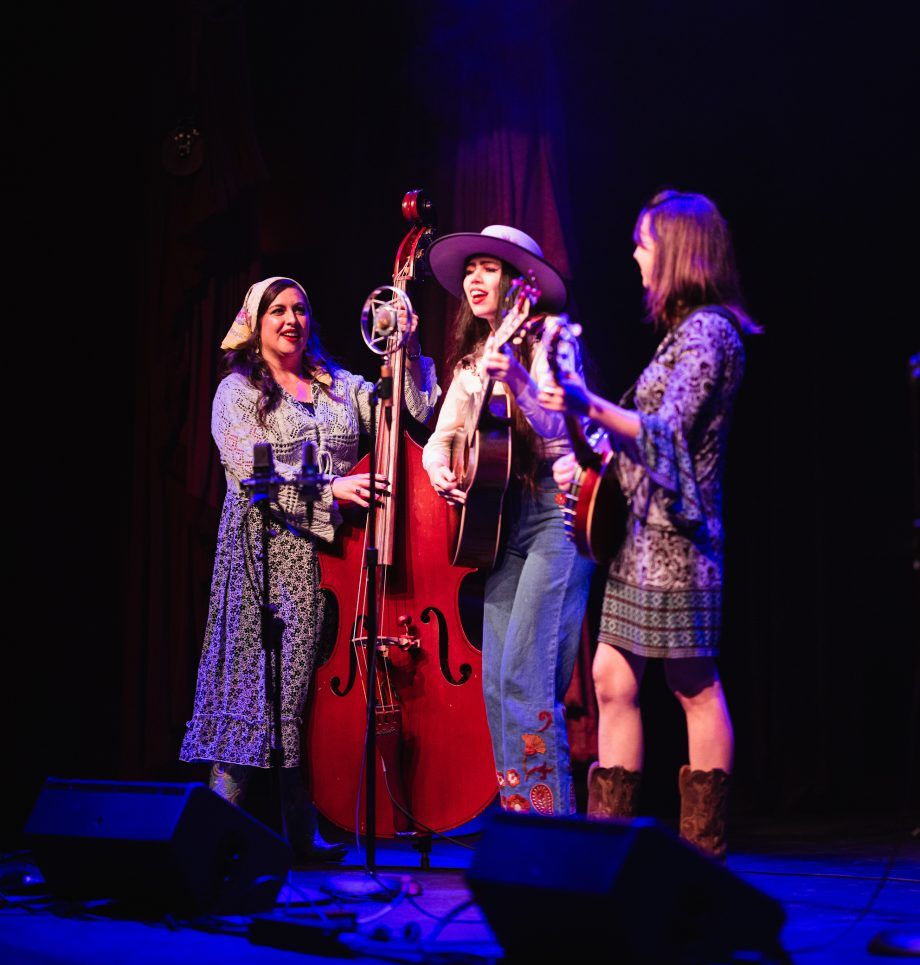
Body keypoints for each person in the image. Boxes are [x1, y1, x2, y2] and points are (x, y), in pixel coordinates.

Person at [180, 276, 439, 860]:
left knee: (306, 699)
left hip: (334, 566)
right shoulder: (238, 391)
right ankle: (208, 838)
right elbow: (249, 467)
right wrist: (332, 486)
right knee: (255, 696)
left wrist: (406, 347)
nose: (292, 319)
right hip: (263, 557)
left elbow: (412, 409)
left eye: (300, 309)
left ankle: (302, 833)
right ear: (255, 322)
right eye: (278, 310)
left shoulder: (337, 386)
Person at [540, 191, 758, 859]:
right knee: (611, 676)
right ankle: (612, 852)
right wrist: (575, 419)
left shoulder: (711, 332)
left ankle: (704, 852)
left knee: (691, 683)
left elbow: (666, 435)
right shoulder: (679, 335)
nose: (635, 254)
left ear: (677, 251)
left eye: (644, 241)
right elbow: (630, 439)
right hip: (641, 538)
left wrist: (587, 401)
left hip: (679, 542)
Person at [422, 226, 593, 817]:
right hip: (501, 523)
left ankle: (550, 824)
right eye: (469, 268)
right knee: (497, 681)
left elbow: (561, 430)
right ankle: (524, 819)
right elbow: (438, 442)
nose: (473, 279)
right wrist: (440, 469)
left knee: (528, 673)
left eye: (488, 268)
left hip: (556, 514)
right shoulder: (471, 364)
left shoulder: (553, 339)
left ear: (521, 283)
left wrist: (515, 378)